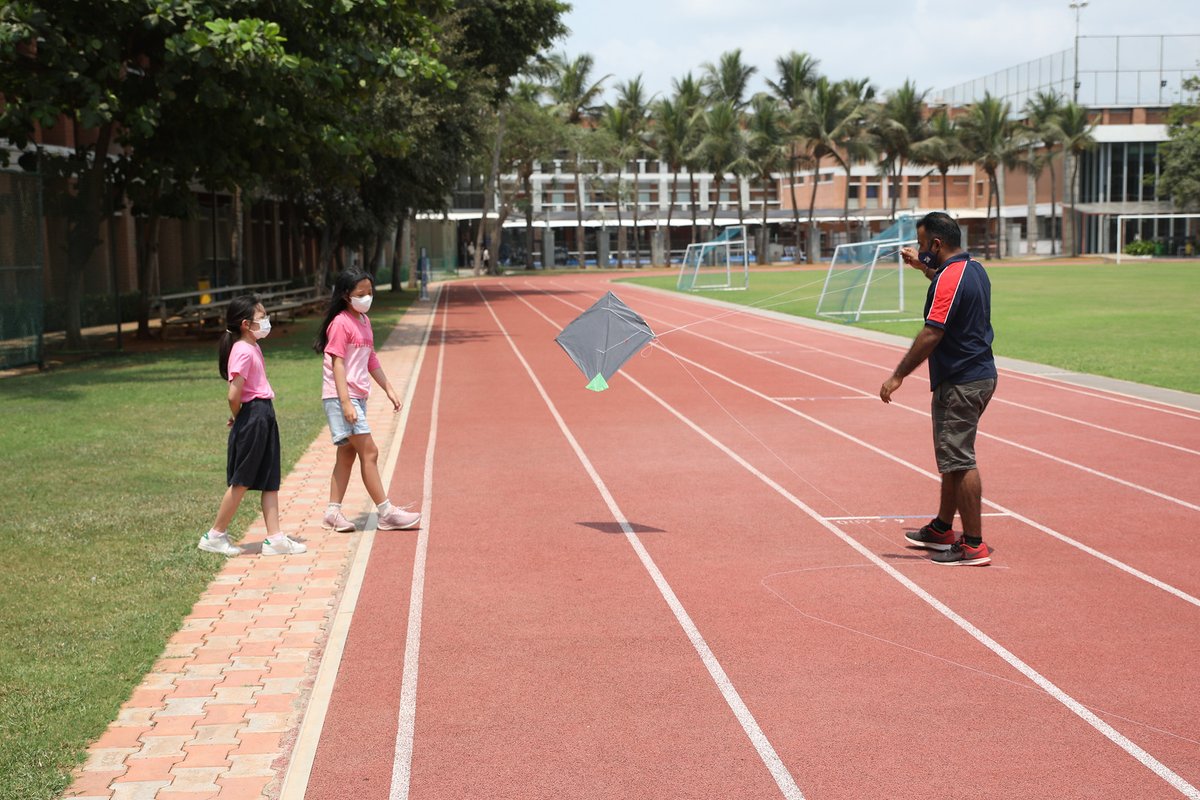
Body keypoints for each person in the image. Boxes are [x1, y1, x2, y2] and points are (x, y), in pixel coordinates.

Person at [879, 212, 997, 566]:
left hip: (962, 380)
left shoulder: (950, 278)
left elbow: (933, 331)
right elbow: (950, 285)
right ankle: (943, 528)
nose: (918, 250)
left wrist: (897, 375)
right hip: (976, 375)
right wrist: (923, 269)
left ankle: (973, 545)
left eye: (921, 244)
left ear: (935, 244)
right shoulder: (973, 269)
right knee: (952, 458)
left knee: (959, 461)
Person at [314, 270, 421, 533]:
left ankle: (332, 513)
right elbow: (338, 364)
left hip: (357, 396)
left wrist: (389, 388)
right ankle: (386, 513)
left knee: (348, 453)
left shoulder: (363, 321)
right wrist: (345, 403)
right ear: (345, 295)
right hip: (342, 396)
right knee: (369, 451)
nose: (366, 298)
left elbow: (371, 358)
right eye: (360, 294)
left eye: (370, 293)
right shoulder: (340, 323)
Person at [198, 296, 306, 557]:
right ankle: (215, 535)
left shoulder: (252, 346)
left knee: (270, 479)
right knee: (242, 480)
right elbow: (233, 394)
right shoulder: (243, 350)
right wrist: (240, 416)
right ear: (246, 324)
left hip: (263, 413)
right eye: (262, 317)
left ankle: (275, 538)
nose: (267, 321)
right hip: (255, 415)